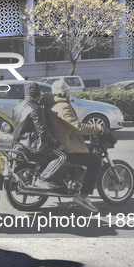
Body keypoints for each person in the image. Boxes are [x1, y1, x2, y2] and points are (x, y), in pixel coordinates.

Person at [40, 81, 104, 212]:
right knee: (96, 162)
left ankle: (75, 181)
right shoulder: (63, 107)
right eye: (68, 91)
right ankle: (83, 196)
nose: (70, 93)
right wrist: (98, 128)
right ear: (63, 93)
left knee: (88, 152)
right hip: (67, 146)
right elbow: (78, 127)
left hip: (61, 142)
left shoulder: (50, 104)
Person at [12, 82, 66, 189]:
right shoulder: (35, 109)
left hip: (18, 143)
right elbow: (42, 131)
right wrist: (56, 143)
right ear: (37, 95)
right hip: (33, 145)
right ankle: (42, 179)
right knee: (61, 156)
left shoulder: (17, 106)